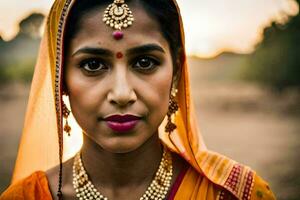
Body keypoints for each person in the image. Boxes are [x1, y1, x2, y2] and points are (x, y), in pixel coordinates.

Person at [1, 0, 276, 199]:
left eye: (145, 62)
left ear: (177, 72)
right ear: (61, 78)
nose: (122, 94)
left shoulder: (238, 193)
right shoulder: (26, 197)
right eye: (93, 65)